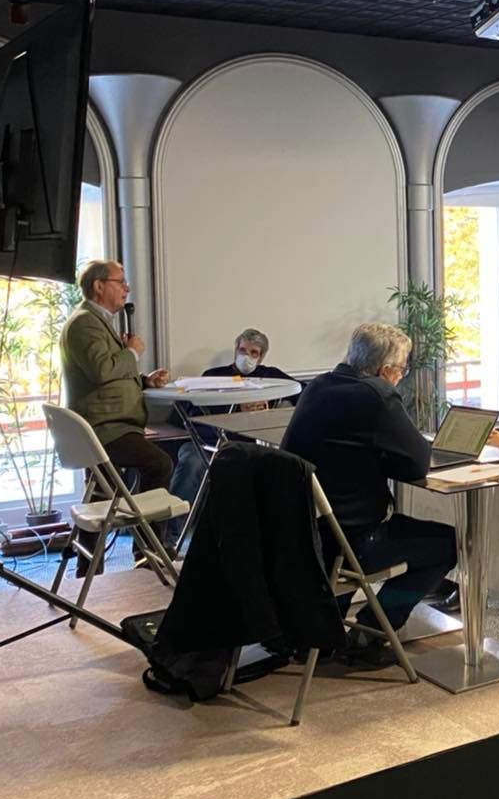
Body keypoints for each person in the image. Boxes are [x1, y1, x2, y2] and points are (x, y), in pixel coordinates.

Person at [280, 323, 456, 643]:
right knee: (448, 543)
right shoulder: (376, 394)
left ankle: (326, 624)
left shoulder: (318, 385)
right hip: (352, 543)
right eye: (402, 369)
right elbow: (417, 461)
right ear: (385, 369)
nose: (401, 376)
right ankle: (375, 627)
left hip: (305, 535)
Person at [61, 260, 173, 493]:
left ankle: (106, 529)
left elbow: (106, 371)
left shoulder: (97, 321)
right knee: (159, 464)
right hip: (105, 428)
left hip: (111, 426)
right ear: (99, 286)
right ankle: (146, 529)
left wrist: (144, 380)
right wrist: (131, 351)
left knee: (103, 493)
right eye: (120, 282)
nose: (127, 288)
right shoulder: (85, 323)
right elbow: (102, 370)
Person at [168, 327, 297, 506]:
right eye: (243, 350)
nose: (247, 356)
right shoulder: (213, 376)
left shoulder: (272, 376)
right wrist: (236, 407)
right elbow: (190, 412)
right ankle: (171, 530)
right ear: (236, 350)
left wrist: (272, 404)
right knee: (191, 463)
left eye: (254, 353)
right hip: (209, 441)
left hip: (253, 445)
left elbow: (303, 393)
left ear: (261, 357)